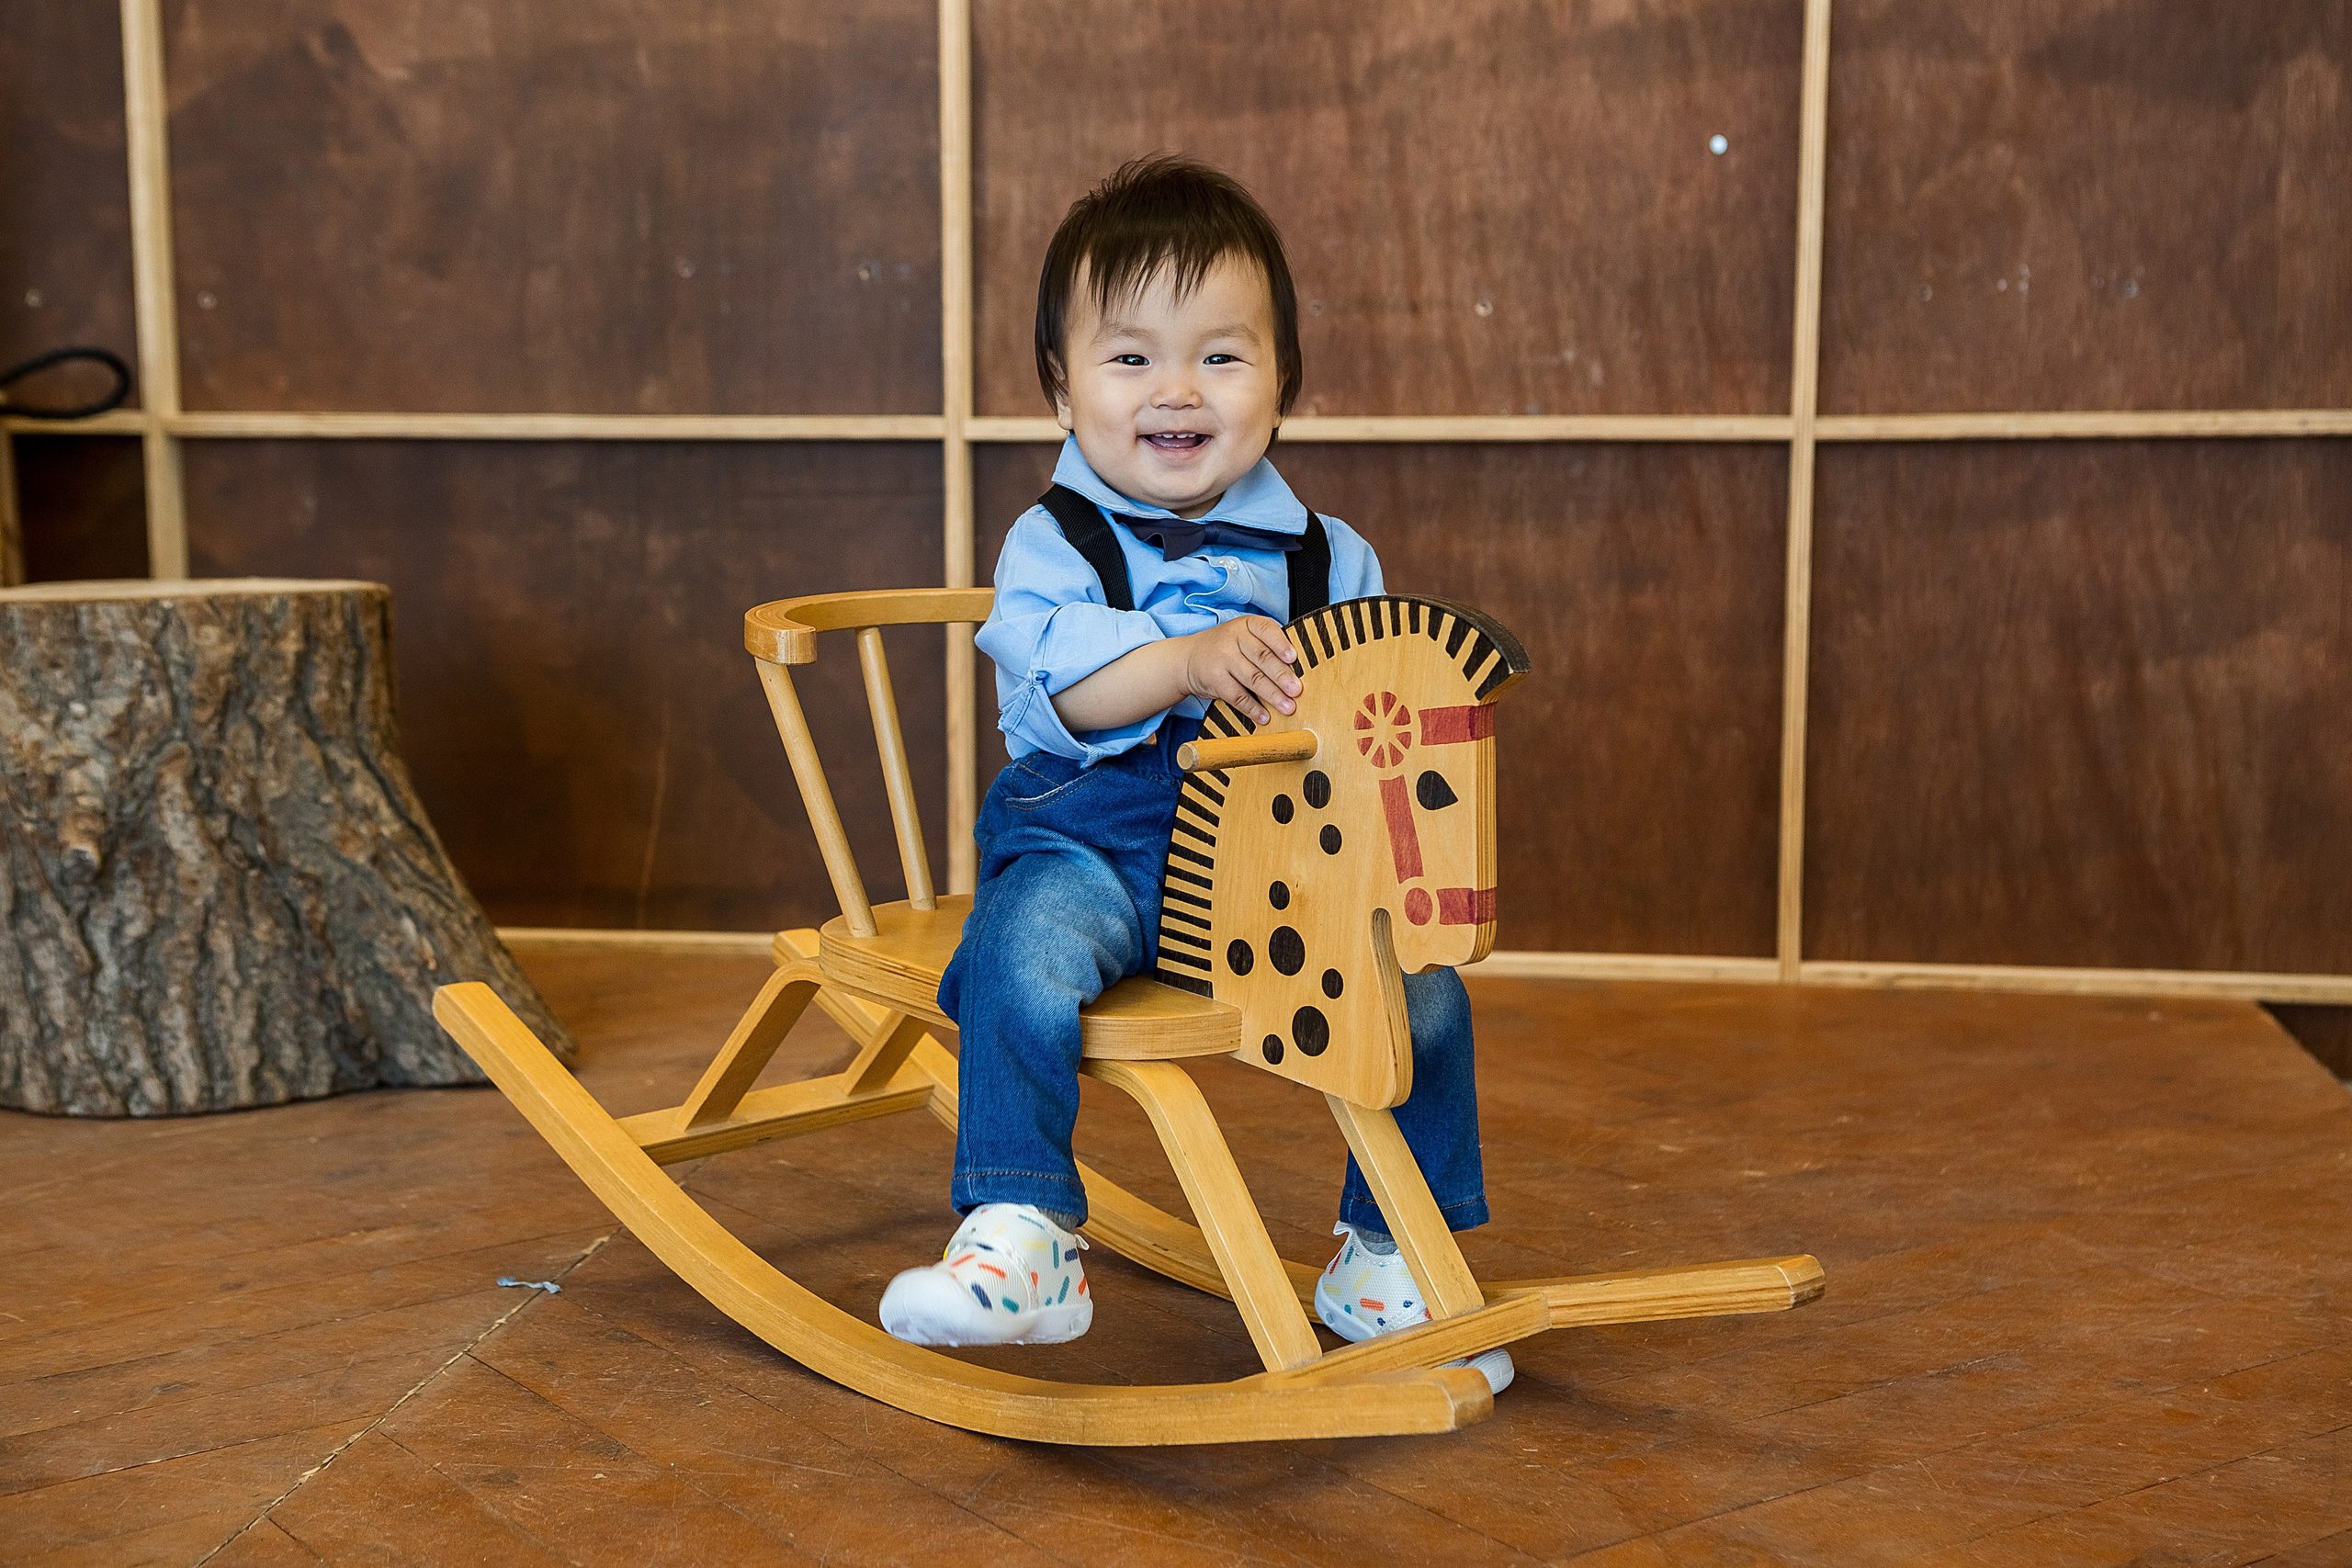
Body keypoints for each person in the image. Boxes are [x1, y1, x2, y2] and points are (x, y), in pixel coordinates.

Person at [877, 155, 1508, 1393]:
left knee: (1421, 992)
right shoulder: (1052, 545)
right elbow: (1062, 695)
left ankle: (1383, 1257)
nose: (1176, 388)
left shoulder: (1332, 555)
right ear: (1061, 387)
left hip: (1273, 872)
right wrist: (1185, 661)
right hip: (1094, 850)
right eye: (1130, 359)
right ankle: (1023, 1235)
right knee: (1020, 948)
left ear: (1284, 382)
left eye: (1221, 355)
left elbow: (1377, 719)